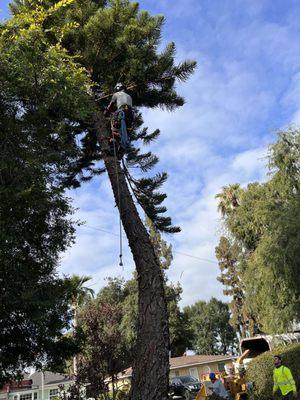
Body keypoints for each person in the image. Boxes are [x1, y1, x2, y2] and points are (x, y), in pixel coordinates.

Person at [104, 83, 133, 152]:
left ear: (117, 88)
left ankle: (112, 149)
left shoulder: (116, 94)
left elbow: (110, 105)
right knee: (126, 131)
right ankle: (121, 150)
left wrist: (106, 113)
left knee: (114, 129)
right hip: (130, 115)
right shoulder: (129, 96)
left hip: (121, 112)